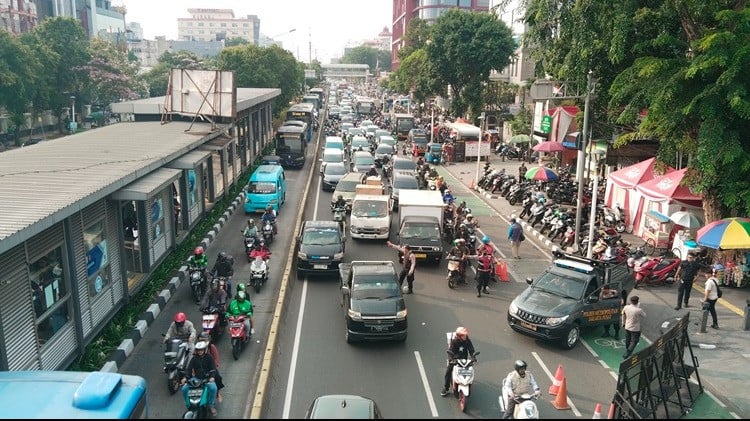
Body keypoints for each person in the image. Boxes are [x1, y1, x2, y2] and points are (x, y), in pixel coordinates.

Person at [181, 340, 218, 416]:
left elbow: (213, 369)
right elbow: (189, 369)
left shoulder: (209, 357)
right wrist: (185, 378)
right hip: (197, 379)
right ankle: (189, 405)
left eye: (201, 350)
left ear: (204, 350)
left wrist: (212, 377)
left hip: (207, 379)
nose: (200, 352)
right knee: (184, 389)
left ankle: (210, 405)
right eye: (198, 350)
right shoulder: (194, 359)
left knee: (213, 388)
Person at [441, 326, 476, 396]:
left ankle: (468, 384)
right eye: (463, 335)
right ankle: (446, 388)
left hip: (464, 360)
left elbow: (471, 349)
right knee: (448, 372)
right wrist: (451, 359)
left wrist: (473, 356)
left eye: (465, 335)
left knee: (470, 370)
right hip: (455, 360)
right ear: (459, 336)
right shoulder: (454, 342)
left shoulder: (467, 340)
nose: (465, 336)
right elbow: (451, 351)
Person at [197, 332, 224, 403]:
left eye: (204, 340)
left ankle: (218, 393)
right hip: (200, 368)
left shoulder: (211, 347)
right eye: (201, 340)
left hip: (211, 368)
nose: (203, 342)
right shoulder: (197, 348)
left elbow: (216, 358)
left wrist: (213, 367)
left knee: (218, 377)